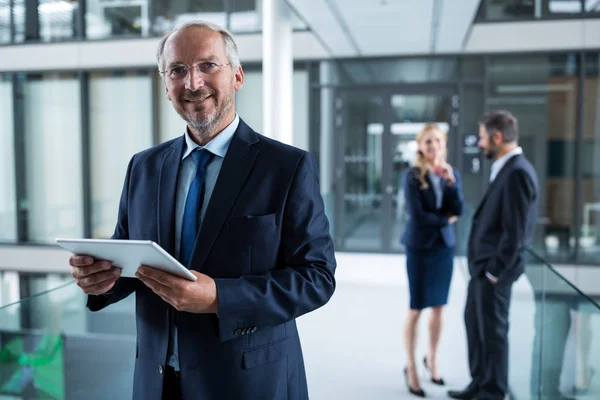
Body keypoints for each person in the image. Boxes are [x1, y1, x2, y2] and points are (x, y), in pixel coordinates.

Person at [69, 21, 336, 400]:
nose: (192, 83)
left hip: (247, 383)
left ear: (238, 76)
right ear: (166, 85)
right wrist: (103, 280)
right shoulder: (143, 167)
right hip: (157, 382)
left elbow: (317, 277)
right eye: (177, 70)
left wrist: (219, 298)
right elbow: (132, 257)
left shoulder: (287, 167)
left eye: (208, 65)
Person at [448, 110, 539, 400]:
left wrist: (493, 271)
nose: (480, 144)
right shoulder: (505, 167)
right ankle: (479, 383)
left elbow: (516, 234)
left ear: (497, 138)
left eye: (483, 138)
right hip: (482, 270)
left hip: (494, 273)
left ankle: (493, 391)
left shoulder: (518, 173)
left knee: (494, 333)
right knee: (476, 328)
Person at [400, 123, 464, 397]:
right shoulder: (412, 175)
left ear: (444, 144)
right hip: (419, 248)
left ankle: (432, 360)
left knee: (439, 307)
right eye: (428, 142)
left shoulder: (451, 173)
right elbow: (418, 215)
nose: (433, 146)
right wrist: (445, 219)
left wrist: (452, 183)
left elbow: (459, 209)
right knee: (416, 308)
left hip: (443, 248)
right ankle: (412, 367)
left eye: (437, 141)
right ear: (421, 147)